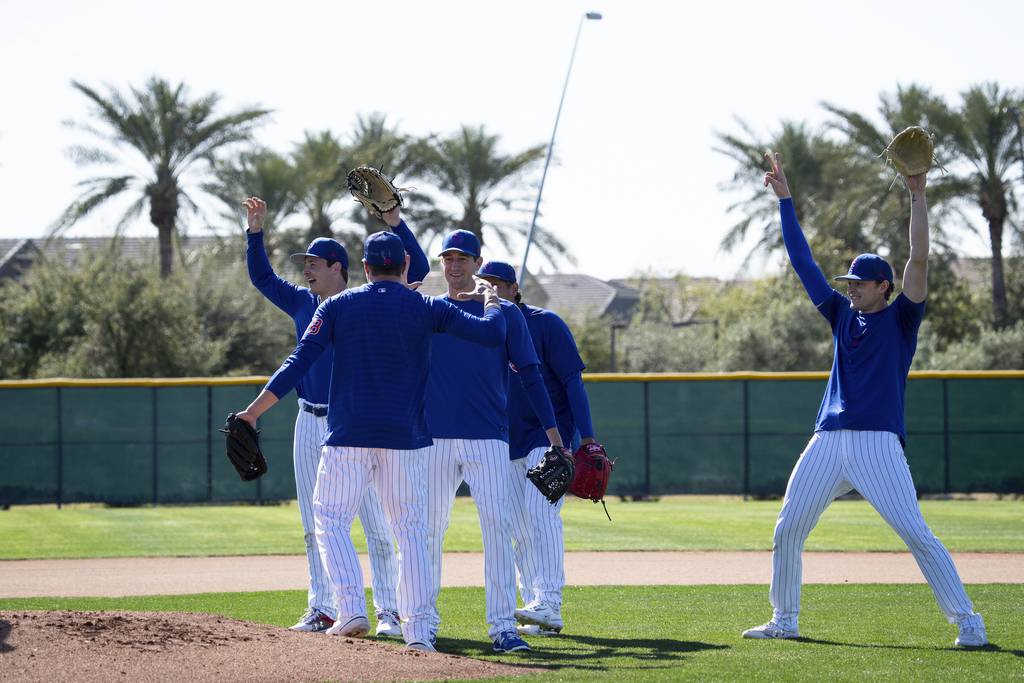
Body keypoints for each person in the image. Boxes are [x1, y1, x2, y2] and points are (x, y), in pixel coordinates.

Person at [742, 152, 988, 648]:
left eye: (859, 283)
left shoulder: (901, 319)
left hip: (878, 444)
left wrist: (918, 195)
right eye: (848, 283)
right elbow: (802, 261)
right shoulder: (838, 314)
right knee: (789, 526)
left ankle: (969, 623)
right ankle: (784, 619)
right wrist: (786, 201)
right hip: (828, 440)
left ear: (883, 287)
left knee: (916, 534)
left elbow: (918, 259)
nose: (850, 288)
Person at [233, 230, 507, 652]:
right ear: (404, 268)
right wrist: (490, 299)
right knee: (411, 531)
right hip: (406, 440)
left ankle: (349, 609)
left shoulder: (339, 305)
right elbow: (491, 334)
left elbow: (298, 360)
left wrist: (253, 412)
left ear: (363, 269)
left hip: (348, 437)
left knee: (329, 519)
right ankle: (416, 631)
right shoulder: (426, 306)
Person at [243, 197, 429, 637]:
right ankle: (324, 607)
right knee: (316, 523)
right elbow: (261, 277)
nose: (306, 270)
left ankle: (387, 611)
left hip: (354, 424)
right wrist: (254, 234)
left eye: (314, 262)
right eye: (304, 262)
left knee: (380, 526)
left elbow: (414, 268)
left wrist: (396, 224)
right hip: (310, 421)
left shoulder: (364, 302)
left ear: (339, 267)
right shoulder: (302, 302)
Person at [423, 230, 565, 654]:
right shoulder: (429, 310)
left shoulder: (506, 314)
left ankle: (502, 626)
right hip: (435, 439)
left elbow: (532, 376)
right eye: (447, 258)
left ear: (477, 263)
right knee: (426, 532)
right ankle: (423, 622)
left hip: (488, 439)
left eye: (462, 258)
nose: (454, 265)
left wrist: (556, 438)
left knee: (498, 533)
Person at [477, 261, 600, 637]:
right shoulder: (482, 328)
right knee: (518, 525)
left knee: (540, 514)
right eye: (486, 285)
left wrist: (587, 438)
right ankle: (536, 607)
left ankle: (549, 600)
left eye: (498, 285)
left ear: (515, 288)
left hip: (549, 437)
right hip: (505, 439)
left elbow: (572, 381)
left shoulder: (546, 324)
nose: (492, 291)